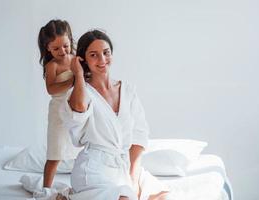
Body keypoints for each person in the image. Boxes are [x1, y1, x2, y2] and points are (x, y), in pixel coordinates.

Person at [60, 30, 169, 200]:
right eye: (93, 55)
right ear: (83, 60)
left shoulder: (127, 90)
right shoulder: (80, 93)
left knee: (163, 195)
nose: (102, 60)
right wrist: (79, 75)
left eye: (106, 53)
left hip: (124, 166)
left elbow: (139, 136)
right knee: (123, 198)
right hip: (94, 168)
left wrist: (133, 176)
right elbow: (79, 108)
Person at [38, 19, 77, 188]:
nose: (62, 51)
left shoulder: (76, 59)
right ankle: (46, 188)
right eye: (56, 48)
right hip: (59, 113)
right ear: (48, 48)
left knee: (81, 152)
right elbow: (51, 89)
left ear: (70, 40)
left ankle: (81, 185)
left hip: (76, 110)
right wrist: (74, 80)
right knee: (55, 153)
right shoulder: (51, 65)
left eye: (65, 46)